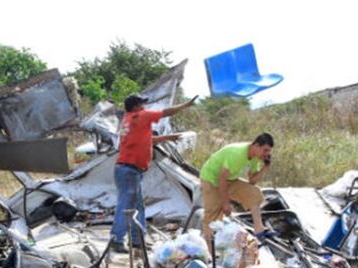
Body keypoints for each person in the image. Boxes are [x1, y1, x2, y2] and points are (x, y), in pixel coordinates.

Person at [110, 92, 198, 253]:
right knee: (126, 205)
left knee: (138, 206)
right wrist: (185, 105)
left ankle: (137, 240)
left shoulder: (129, 120)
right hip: (129, 169)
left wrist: (168, 138)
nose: (145, 106)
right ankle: (117, 239)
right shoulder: (141, 116)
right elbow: (166, 112)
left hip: (127, 169)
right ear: (136, 106)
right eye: (142, 103)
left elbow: (146, 139)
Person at [198, 133, 274, 243]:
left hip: (229, 179)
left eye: (268, 151)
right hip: (211, 179)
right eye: (265, 150)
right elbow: (221, 179)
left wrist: (265, 167)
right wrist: (225, 203)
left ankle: (259, 228)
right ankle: (211, 253)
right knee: (213, 216)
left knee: (254, 193)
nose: (266, 154)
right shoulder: (238, 154)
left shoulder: (255, 157)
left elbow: (252, 181)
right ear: (256, 145)